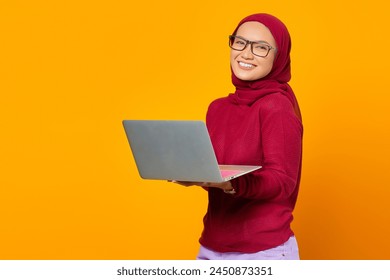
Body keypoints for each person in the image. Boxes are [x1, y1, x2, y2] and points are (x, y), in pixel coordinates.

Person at [173, 13, 303, 260]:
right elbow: (219, 172)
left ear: (279, 57)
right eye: (240, 42)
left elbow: (282, 181)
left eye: (261, 47)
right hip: (211, 246)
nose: (246, 54)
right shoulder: (217, 108)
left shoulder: (277, 106)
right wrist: (191, 172)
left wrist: (232, 184)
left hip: (263, 251)